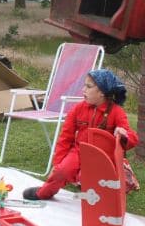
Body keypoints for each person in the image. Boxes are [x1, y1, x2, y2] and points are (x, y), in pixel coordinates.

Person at [23, 69, 138, 200]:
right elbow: (65, 137)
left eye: (88, 86)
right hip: (79, 151)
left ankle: (102, 203)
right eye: (84, 85)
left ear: (102, 92)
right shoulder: (78, 109)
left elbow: (132, 137)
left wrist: (123, 134)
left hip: (104, 157)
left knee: (90, 179)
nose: (83, 89)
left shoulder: (117, 112)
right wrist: (57, 163)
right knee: (62, 171)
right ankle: (43, 193)